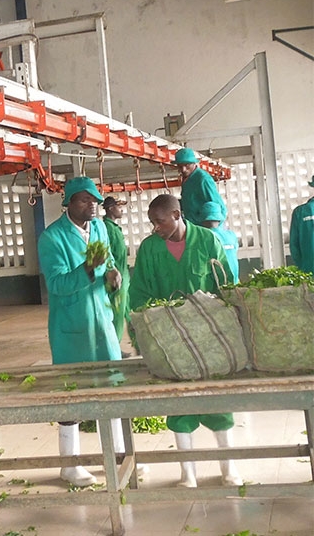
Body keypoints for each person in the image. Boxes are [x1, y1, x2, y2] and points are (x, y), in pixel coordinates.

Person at [128, 194, 242, 488]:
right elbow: (139, 291)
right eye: (152, 223)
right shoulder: (150, 249)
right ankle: (187, 474)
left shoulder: (207, 241)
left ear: (177, 214)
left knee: (217, 399)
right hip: (170, 338)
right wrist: (142, 334)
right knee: (178, 402)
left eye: (160, 221)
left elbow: (225, 283)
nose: (156, 228)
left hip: (208, 334)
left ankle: (229, 469)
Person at [37, 177, 124, 487]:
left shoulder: (99, 228)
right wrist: (88, 268)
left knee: (112, 385)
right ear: (69, 203)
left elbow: (109, 259)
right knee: (71, 392)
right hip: (71, 326)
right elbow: (58, 285)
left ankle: (118, 453)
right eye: (85, 200)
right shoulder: (52, 239)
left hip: (102, 320)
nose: (92, 206)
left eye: (95, 201)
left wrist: (111, 273)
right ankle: (69, 464)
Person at [102, 196, 131, 345]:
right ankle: (114, 348)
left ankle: (139, 345)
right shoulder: (106, 229)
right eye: (119, 207)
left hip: (125, 277)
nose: (121, 210)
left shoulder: (114, 228)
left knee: (130, 313)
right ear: (111, 208)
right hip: (117, 279)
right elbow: (107, 254)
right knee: (117, 315)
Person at [175, 147, 228, 226]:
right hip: (194, 226)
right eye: (180, 166)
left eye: (187, 165)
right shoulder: (187, 178)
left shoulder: (203, 179)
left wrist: (215, 230)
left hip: (205, 228)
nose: (183, 169)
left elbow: (218, 206)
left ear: (194, 163)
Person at [199, 201, 240, 283]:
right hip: (235, 280)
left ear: (202, 219)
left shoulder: (204, 237)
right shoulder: (231, 235)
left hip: (218, 283)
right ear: (220, 219)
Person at [289, 174, 314, 275]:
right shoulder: (300, 212)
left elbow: (294, 246)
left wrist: (303, 267)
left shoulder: (300, 212)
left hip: (308, 273)